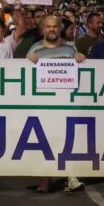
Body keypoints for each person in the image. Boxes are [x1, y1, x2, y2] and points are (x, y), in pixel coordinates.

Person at [26, 15, 86, 194]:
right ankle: (46, 179)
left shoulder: (70, 48)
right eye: (48, 27)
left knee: (68, 139)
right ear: (43, 29)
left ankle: (70, 176)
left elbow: (80, 70)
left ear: (59, 29)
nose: (52, 30)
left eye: (55, 27)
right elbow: (26, 74)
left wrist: (81, 58)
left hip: (66, 103)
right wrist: (28, 61)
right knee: (46, 141)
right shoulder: (35, 49)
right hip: (44, 103)